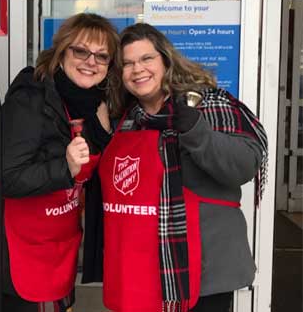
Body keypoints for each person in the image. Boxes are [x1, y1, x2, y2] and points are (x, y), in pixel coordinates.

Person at [90, 23, 268, 312]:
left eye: (146, 59)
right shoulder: (126, 120)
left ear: (166, 60)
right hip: (141, 271)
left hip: (205, 273)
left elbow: (243, 166)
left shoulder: (208, 104)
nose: (138, 69)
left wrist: (197, 131)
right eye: (128, 63)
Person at [0, 13, 120, 312]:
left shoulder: (100, 106)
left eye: (102, 56)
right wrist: (64, 168)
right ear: (61, 52)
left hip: (57, 248)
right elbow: (2, 175)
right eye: (80, 51)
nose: (90, 61)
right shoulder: (31, 99)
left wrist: (105, 134)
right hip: (11, 253)